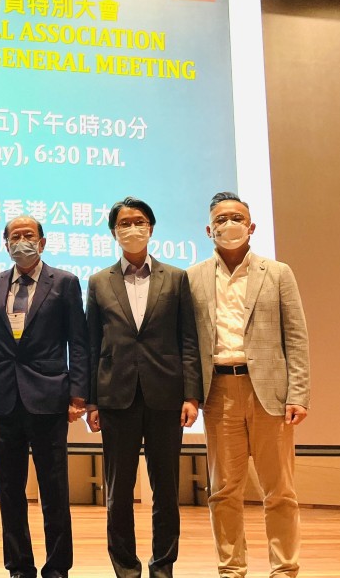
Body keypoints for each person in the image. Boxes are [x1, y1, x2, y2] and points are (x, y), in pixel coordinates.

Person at [186, 192, 310, 578]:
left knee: (280, 492)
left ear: (252, 226)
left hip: (270, 396)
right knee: (223, 492)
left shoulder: (277, 273)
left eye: (236, 217)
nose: (229, 225)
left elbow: (297, 337)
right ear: (209, 230)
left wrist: (299, 394)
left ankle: (284, 569)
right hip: (219, 393)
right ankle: (231, 569)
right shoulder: (192, 278)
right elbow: (188, 343)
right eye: (221, 220)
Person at [85, 197, 202, 578]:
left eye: (138, 221)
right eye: (123, 223)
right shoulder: (99, 282)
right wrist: (91, 402)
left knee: (166, 490)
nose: (131, 228)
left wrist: (191, 394)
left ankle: (163, 565)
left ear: (150, 228)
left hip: (166, 396)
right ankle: (126, 568)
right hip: (115, 396)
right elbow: (90, 345)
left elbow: (188, 339)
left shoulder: (176, 278)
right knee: (118, 493)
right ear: (114, 233)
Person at [0, 215, 89, 578]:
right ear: (5, 243)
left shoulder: (65, 282)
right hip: (4, 400)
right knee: (9, 491)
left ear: (43, 242)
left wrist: (78, 394)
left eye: (29, 235)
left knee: (54, 488)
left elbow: (79, 341)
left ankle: (58, 567)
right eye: (15, 236)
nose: (21, 241)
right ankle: (19, 567)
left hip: (49, 398)